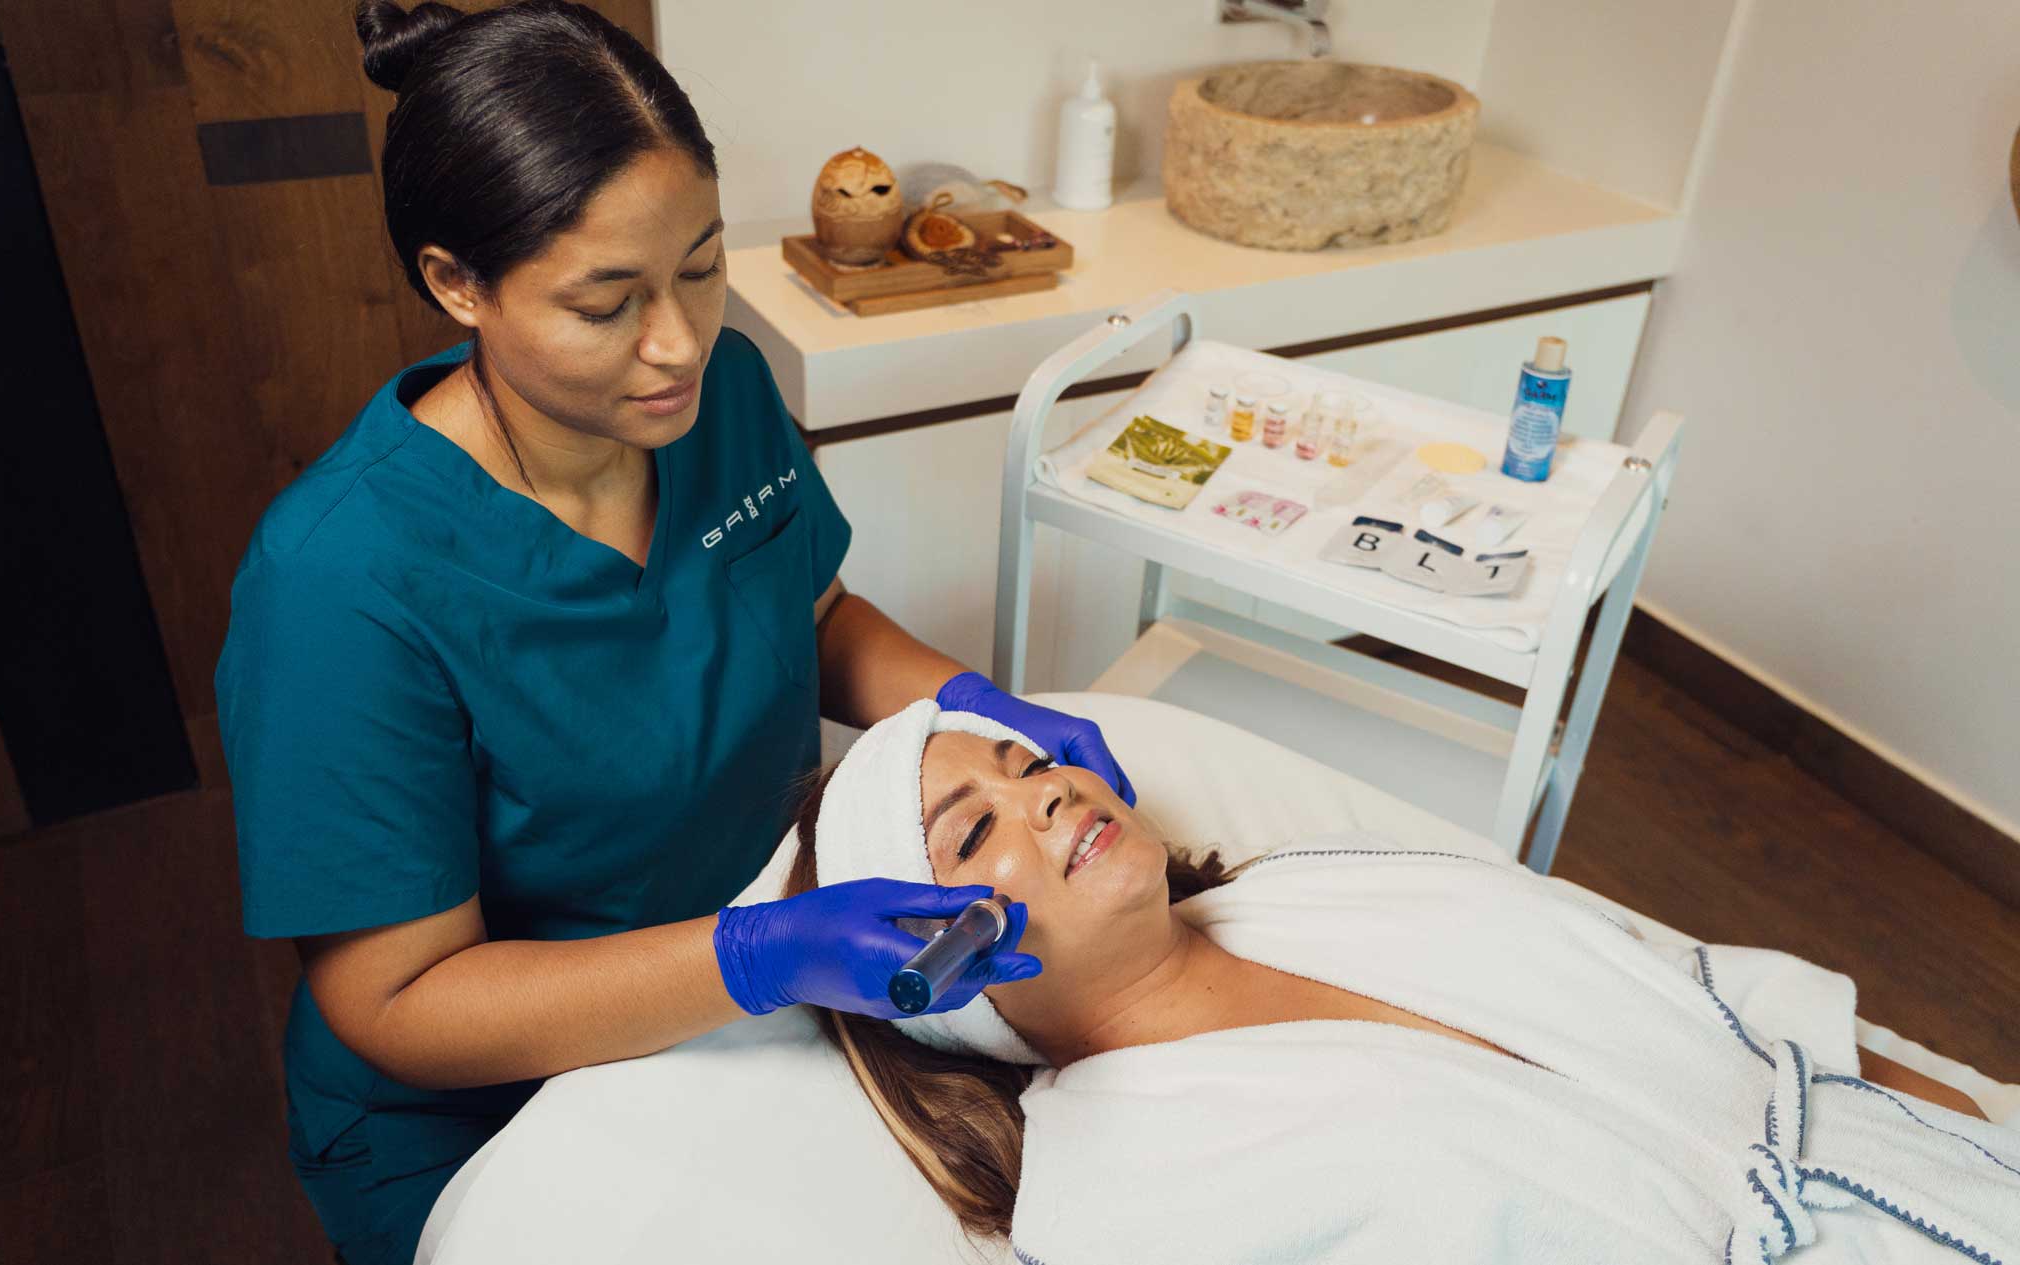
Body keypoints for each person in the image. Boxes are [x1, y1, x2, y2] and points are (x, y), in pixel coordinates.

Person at [213, 5, 1127, 1261]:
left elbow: (808, 616)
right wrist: (756, 952)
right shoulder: (339, 582)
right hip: (480, 1109)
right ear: (455, 283)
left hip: (739, 1015)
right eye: (606, 303)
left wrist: (976, 703)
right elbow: (396, 999)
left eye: (700, 265)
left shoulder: (722, 396)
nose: (678, 341)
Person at [785, 699, 2020, 1263]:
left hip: (1931, 1168)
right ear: (935, 970)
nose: (1047, 787)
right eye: (969, 830)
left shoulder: (1323, 882)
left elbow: (1661, 973)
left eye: (1025, 758)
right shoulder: (1112, 1197)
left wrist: (1950, 1101)